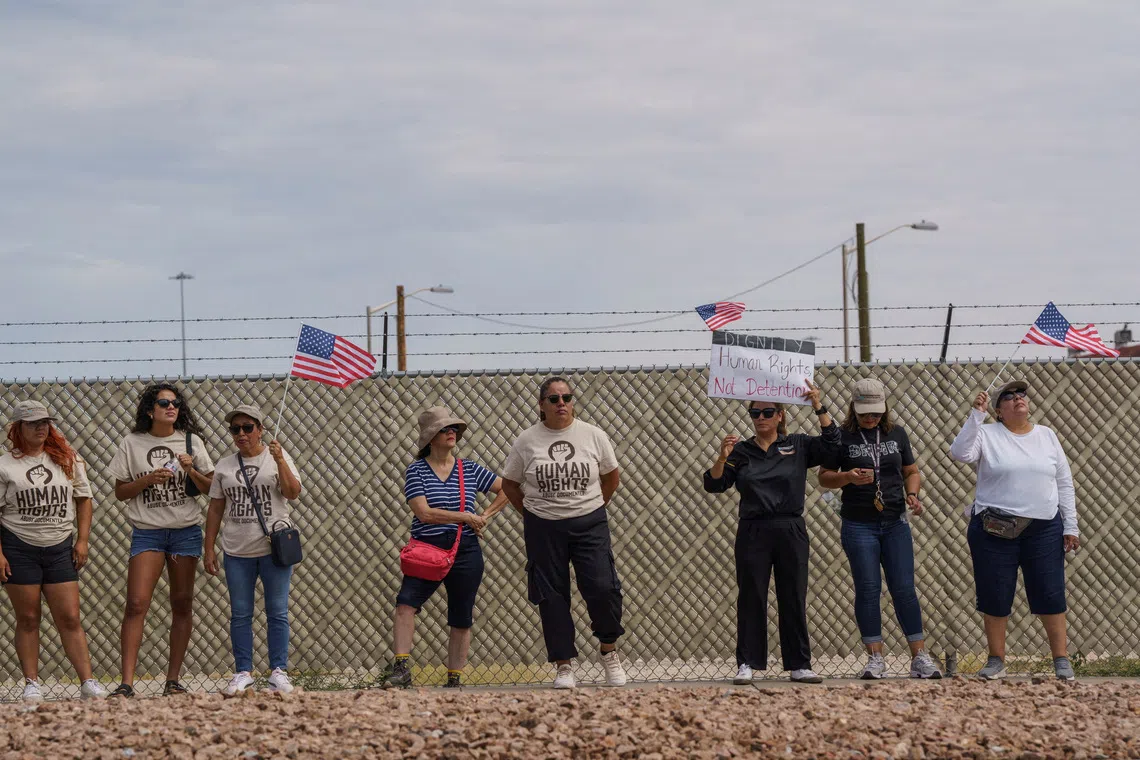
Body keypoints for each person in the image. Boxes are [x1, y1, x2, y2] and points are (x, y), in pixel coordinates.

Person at [703, 380, 838, 685]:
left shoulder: (798, 445)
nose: (761, 417)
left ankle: (799, 664)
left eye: (767, 412)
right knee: (751, 596)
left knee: (793, 594)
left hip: (790, 527)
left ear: (780, 416)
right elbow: (714, 484)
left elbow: (833, 444)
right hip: (754, 529)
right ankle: (747, 662)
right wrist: (722, 456)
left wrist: (818, 405)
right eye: (755, 413)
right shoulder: (742, 451)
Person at [950, 380, 1079, 681]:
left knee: (1050, 591)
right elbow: (960, 453)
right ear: (998, 410)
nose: (1017, 399)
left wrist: (1070, 525)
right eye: (1008, 397)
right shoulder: (986, 433)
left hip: (1044, 527)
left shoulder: (1046, 435)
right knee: (995, 592)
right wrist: (975, 415)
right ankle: (996, 659)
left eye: (1021, 394)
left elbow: (1064, 481)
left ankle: (1061, 659)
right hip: (995, 527)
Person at [502, 377, 626, 689]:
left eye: (567, 398)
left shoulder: (593, 435)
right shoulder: (527, 440)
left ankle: (609, 652)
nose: (562, 404)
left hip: (589, 523)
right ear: (541, 405)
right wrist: (531, 514)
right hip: (544, 527)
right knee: (552, 596)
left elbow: (611, 477)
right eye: (554, 399)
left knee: (602, 587)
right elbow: (510, 485)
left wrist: (594, 505)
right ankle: (564, 666)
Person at [818, 377, 942, 679]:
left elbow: (911, 470)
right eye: (864, 414)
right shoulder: (842, 438)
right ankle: (875, 658)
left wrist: (913, 494)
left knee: (903, 588)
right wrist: (848, 476)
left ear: (884, 409)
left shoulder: (896, 433)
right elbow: (823, 477)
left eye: (875, 412)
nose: (871, 418)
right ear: (853, 409)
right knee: (869, 588)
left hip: (895, 521)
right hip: (859, 523)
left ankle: (919, 657)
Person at [386, 406, 512, 689]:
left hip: (465, 548)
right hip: (427, 547)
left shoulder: (469, 468)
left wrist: (486, 516)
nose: (451, 432)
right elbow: (423, 512)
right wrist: (467, 517)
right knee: (406, 604)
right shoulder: (416, 471)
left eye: (454, 428)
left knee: (461, 614)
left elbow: (509, 489)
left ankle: (454, 679)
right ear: (431, 437)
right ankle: (402, 668)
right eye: (444, 429)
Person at [108, 383, 214, 697]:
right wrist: (146, 480)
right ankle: (127, 683)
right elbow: (119, 492)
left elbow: (210, 488)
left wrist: (191, 469)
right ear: (149, 409)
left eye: (176, 403)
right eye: (164, 402)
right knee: (137, 603)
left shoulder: (192, 442)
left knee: (182, 604)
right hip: (148, 531)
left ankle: (172, 680)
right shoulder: (132, 442)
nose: (171, 407)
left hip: (185, 530)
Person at [0, 401, 108, 702]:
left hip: (60, 546)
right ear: (18, 428)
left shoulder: (66, 458)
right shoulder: (5, 465)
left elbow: (84, 499)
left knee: (70, 617)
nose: (41, 428)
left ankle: (87, 681)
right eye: (33, 423)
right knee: (29, 618)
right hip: (19, 547)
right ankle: (32, 683)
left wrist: (82, 540)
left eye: (45, 422)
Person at [204, 404, 302, 696]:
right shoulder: (224, 466)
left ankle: (278, 671)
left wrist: (280, 460)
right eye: (236, 429)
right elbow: (215, 508)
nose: (242, 434)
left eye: (248, 427)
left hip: (274, 548)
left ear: (260, 429)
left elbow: (292, 492)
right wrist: (208, 548)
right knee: (241, 613)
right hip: (237, 549)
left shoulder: (277, 458)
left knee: (277, 612)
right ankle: (243, 671)